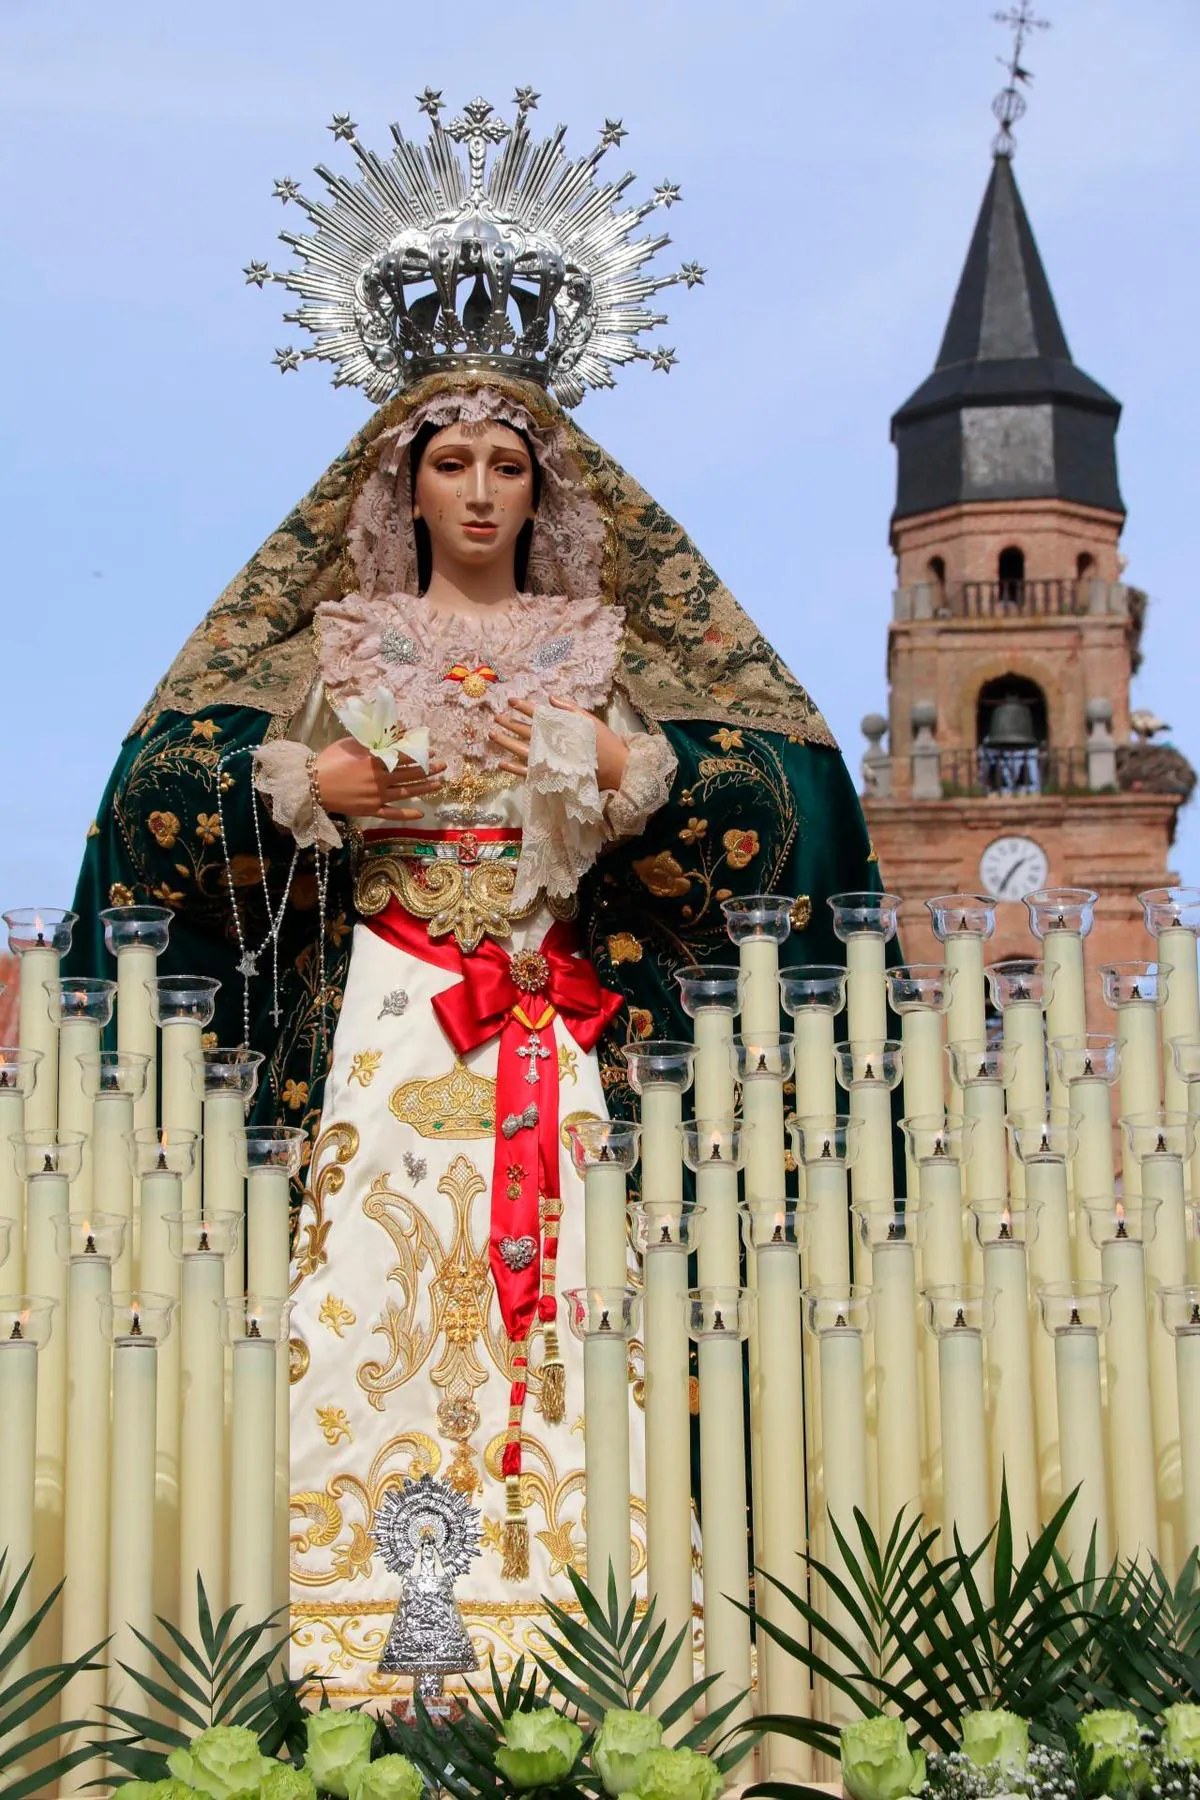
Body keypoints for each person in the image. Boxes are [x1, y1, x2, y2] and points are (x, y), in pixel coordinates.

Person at [67, 91, 883, 1700]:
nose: (483, 490)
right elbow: (166, 785)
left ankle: (577, 1637)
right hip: (379, 1012)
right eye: (452, 459)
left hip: (545, 1019)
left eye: (510, 461)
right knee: (350, 1293)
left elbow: (779, 790)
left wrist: (613, 764)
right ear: (406, 484)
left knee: (576, 1311)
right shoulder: (338, 642)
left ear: (545, 486)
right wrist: (307, 791)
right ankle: (337, 1644)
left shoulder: (599, 649)